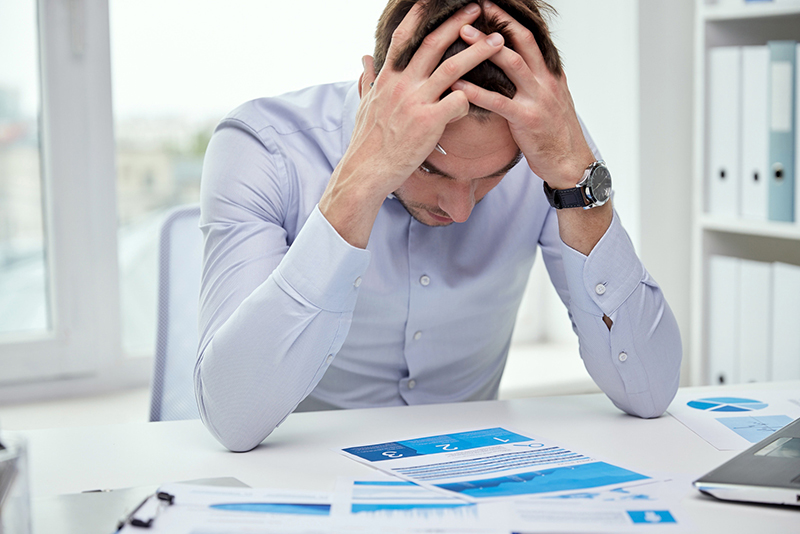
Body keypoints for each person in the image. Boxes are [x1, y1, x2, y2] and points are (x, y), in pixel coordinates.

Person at [196, 0, 682, 452]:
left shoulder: (545, 148)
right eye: (429, 167)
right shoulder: (263, 147)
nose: (461, 210)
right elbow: (232, 418)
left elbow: (650, 390)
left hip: (477, 480)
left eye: (494, 175)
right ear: (372, 95)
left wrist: (578, 180)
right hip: (310, 478)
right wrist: (363, 179)